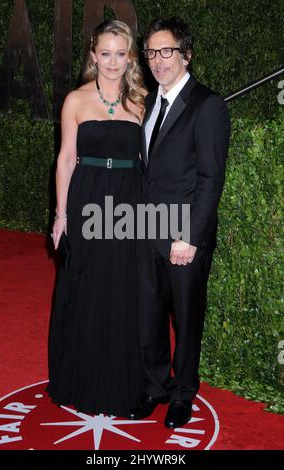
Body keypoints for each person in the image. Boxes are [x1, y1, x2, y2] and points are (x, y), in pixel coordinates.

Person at [129, 16, 231, 428]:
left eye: (167, 50)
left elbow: (211, 179)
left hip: (184, 233)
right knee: (149, 312)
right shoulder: (151, 100)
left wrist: (189, 237)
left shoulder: (208, 105)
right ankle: (156, 387)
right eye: (152, 51)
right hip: (148, 227)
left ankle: (183, 393)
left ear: (186, 55)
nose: (158, 60)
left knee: (186, 317)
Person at [47, 20, 147, 418]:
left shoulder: (142, 100)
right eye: (105, 53)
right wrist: (61, 213)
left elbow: (148, 161)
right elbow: (66, 158)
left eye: (120, 54)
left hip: (128, 203)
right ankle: (79, 377)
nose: (112, 61)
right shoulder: (75, 100)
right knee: (84, 285)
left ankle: (122, 379)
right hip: (87, 199)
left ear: (130, 57)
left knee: (122, 289)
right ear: (92, 55)